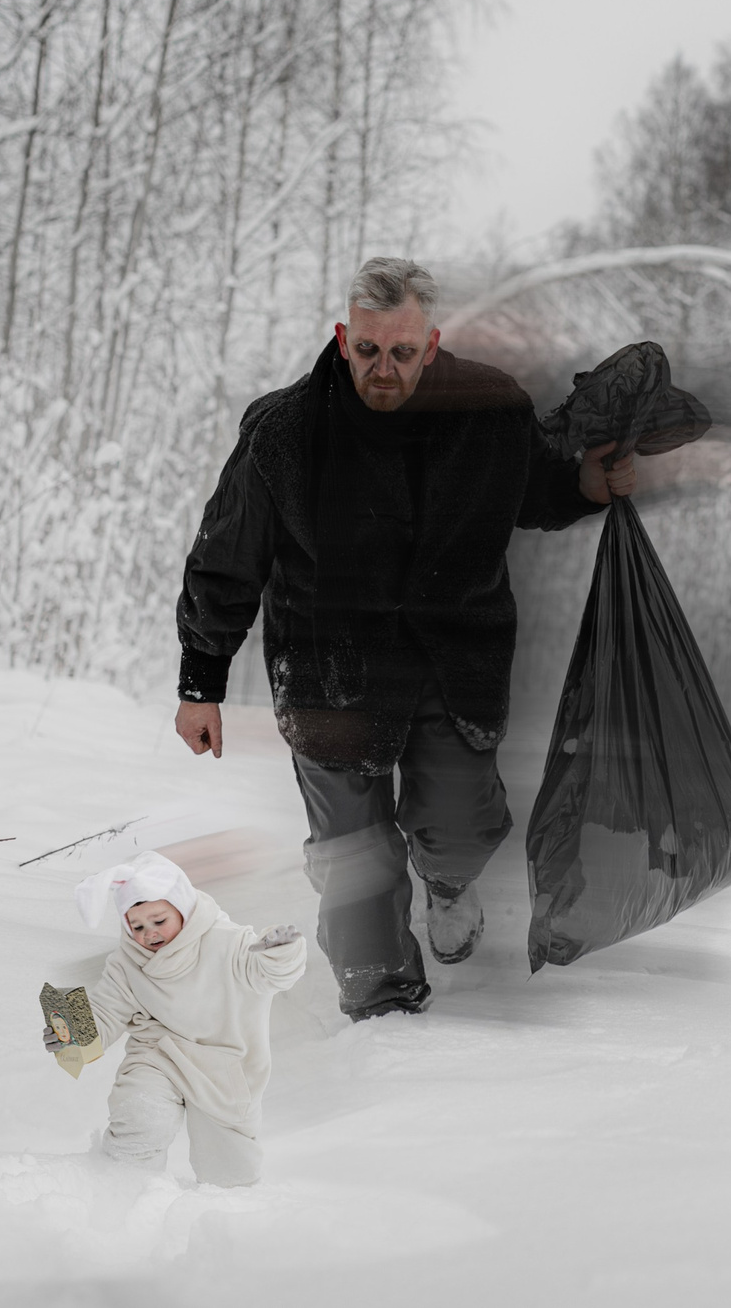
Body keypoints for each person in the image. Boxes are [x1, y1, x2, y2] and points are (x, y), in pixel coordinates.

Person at [172, 257, 634, 1019]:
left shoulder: (490, 413)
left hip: (455, 662)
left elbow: (534, 487)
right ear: (342, 337)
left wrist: (585, 485)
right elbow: (227, 556)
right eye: (367, 350)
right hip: (328, 674)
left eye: (402, 352)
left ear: (432, 343)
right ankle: (383, 1004)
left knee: (459, 827)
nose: (383, 369)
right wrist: (201, 679)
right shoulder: (283, 433)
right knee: (353, 859)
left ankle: (448, 883)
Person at [46, 852, 307, 1188]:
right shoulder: (127, 962)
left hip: (224, 1066)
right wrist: (72, 1034)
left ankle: (229, 1207)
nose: (149, 934)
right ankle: (121, 1188)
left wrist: (280, 952)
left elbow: (269, 974)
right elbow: (106, 1011)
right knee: (141, 1118)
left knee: (231, 1168)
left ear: (183, 909)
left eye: (159, 920)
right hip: (157, 1055)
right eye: (137, 926)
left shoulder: (228, 941)